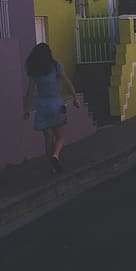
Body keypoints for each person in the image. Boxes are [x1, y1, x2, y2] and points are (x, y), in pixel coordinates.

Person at [23, 43, 79, 174]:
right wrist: (75, 98)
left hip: (42, 106)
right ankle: (56, 155)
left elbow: (30, 92)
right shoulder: (56, 67)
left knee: (48, 137)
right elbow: (68, 82)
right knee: (61, 136)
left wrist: (26, 110)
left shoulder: (34, 71)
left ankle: (52, 166)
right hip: (57, 104)